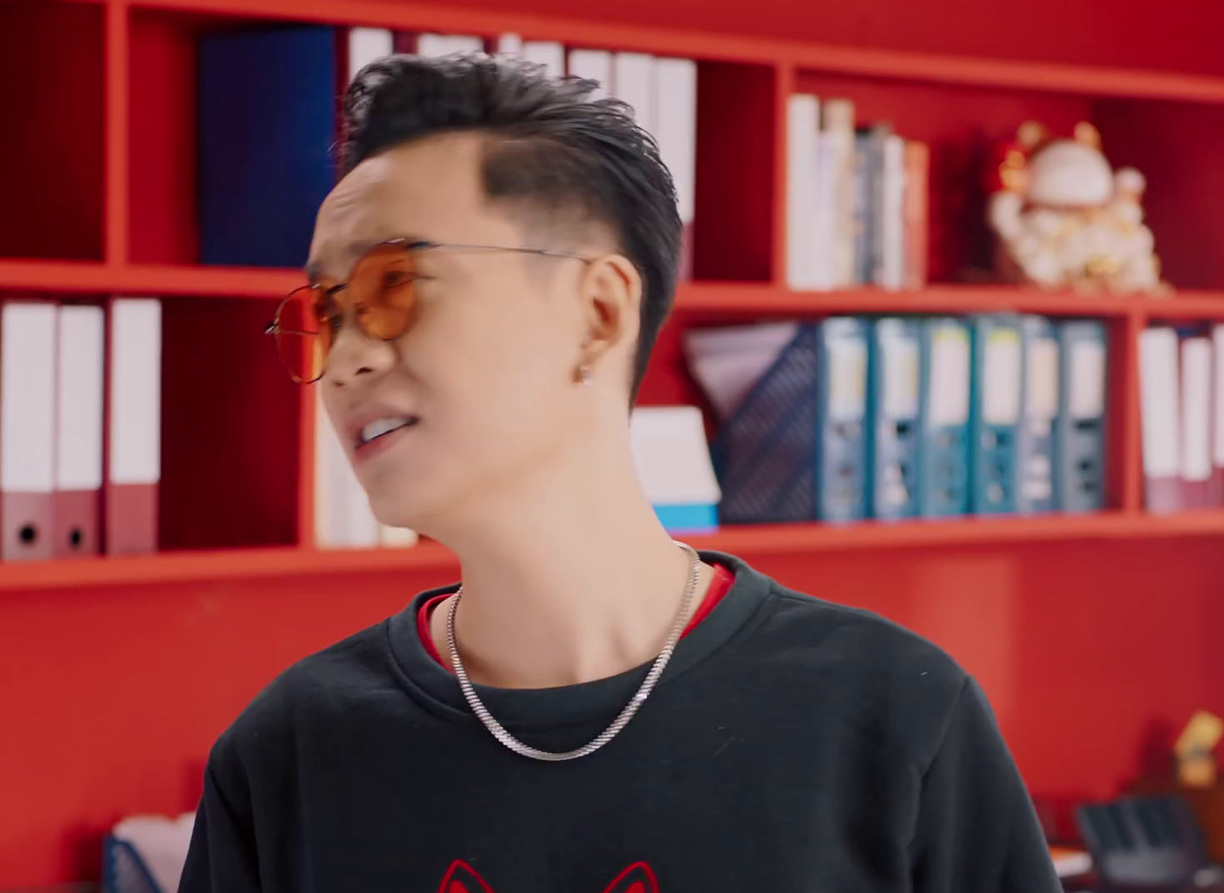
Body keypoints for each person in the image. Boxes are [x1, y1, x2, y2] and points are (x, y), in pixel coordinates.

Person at [179, 52, 1060, 893]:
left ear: (598, 313)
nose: (344, 360)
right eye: (323, 314)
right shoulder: (288, 753)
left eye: (395, 281)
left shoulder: (895, 716)